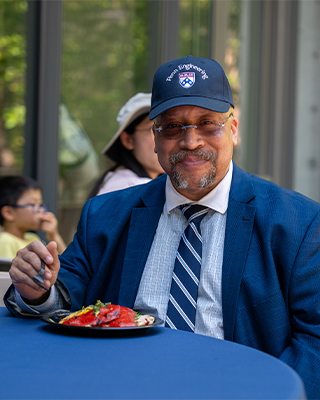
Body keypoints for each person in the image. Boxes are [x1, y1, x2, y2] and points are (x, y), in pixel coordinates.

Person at [4, 56, 320, 400]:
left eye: (207, 123)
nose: (191, 141)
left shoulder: (296, 222)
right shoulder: (107, 213)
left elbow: (314, 337)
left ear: (233, 129)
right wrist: (37, 289)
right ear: (154, 138)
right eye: (172, 127)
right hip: (119, 388)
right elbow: (66, 290)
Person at [88, 92, 164, 197]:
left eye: (169, 128)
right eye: (152, 129)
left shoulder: (117, 180)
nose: (164, 139)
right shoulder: (133, 188)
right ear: (128, 140)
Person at [0, 176, 66, 257]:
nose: (42, 210)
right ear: (9, 213)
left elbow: (68, 265)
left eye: (41, 204)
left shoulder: (33, 238)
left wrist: (54, 236)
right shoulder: (5, 241)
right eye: (34, 204)